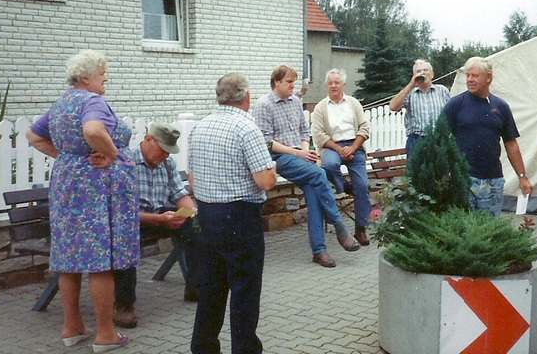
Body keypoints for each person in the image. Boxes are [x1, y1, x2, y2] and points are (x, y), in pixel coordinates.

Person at [26, 49, 134, 351]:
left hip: (66, 185)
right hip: (94, 189)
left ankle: (72, 328)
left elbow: (32, 136)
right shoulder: (91, 101)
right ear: (86, 77)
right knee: (101, 261)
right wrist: (111, 154)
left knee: (69, 258)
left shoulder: (62, 102)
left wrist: (67, 157)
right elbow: (92, 129)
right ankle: (105, 335)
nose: (107, 77)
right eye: (103, 73)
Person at [189, 72, 278, 354]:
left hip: (207, 214)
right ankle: (245, 349)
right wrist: (273, 170)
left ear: (219, 96)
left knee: (212, 287)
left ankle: (203, 347)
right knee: (244, 288)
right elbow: (265, 181)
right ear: (247, 97)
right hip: (239, 216)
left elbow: (192, 179)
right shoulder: (247, 128)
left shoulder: (200, 127)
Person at [253, 64, 360, 268]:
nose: (293, 86)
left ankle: (319, 251)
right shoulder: (264, 104)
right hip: (279, 157)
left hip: (300, 155)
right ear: (277, 82)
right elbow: (265, 142)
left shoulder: (295, 102)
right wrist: (298, 153)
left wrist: (307, 152)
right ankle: (340, 227)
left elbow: (304, 132)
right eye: (289, 82)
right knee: (319, 174)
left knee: (314, 194)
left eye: (294, 81)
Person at [112, 123, 200, 329]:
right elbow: (118, 210)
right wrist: (159, 219)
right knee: (125, 241)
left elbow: (180, 194)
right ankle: (124, 305)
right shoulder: (125, 162)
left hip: (160, 216)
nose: (165, 156)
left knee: (197, 228)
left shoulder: (167, 165)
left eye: (169, 152)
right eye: (163, 150)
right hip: (129, 220)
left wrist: (192, 213)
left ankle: (196, 285)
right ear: (148, 138)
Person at [443, 56, 533, 217]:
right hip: (463, 179)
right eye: (467, 75)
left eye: (475, 76)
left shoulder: (501, 107)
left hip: (493, 181)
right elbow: (439, 140)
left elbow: (511, 143)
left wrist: (522, 177)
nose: (469, 79)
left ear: (488, 77)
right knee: (463, 230)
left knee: (488, 232)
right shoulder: (455, 105)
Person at [311, 69, 372, 246]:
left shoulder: (353, 103)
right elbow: (319, 135)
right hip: (332, 145)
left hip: (355, 145)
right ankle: (343, 186)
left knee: (361, 186)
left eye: (337, 82)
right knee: (329, 164)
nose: (334, 86)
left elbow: (364, 128)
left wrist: (353, 147)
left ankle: (361, 229)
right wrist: (339, 149)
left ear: (343, 85)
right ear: (326, 85)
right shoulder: (320, 107)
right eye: (330, 83)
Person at [388, 59, 451, 156]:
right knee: (416, 170)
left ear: (432, 74)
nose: (422, 73)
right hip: (417, 139)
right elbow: (393, 106)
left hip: (440, 138)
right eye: (418, 71)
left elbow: (451, 113)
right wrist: (411, 85)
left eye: (425, 70)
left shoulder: (442, 90)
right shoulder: (409, 93)